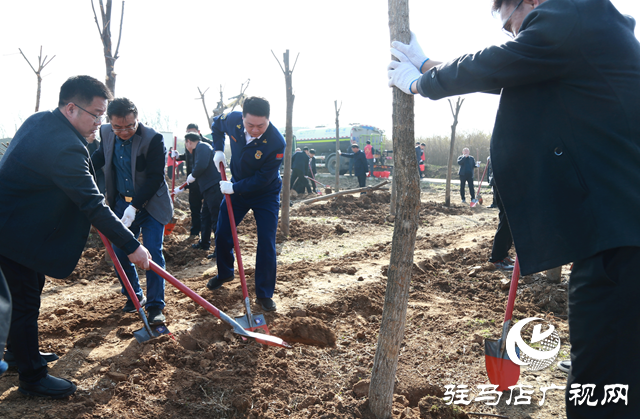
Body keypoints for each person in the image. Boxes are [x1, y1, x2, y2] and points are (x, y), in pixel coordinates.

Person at [388, 1, 640, 416]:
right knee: (616, 373)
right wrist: (428, 63)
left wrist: (422, 85)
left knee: (597, 389)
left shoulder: (572, 13)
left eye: (511, 22)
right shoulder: (589, 28)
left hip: (616, 240)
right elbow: (510, 68)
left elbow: (502, 63)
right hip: (619, 231)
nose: (511, 33)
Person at [0, 75, 150, 398]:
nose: (100, 123)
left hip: (19, 227)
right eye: (96, 115)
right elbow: (92, 203)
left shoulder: (43, 121)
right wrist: (132, 245)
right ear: (71, 108)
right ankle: (32, 378)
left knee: (27, 293)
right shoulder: (64, 146)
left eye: (102, 115)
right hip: (13, 235)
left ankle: (18, 353)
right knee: (24, 300)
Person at [92, 97, 172, 326]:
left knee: (153, 253)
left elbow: (156, 177)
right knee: (119, 251)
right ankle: (135, 295)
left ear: (137, 119)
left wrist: (135, 206)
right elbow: (99, 158)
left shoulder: (152, 139)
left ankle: (156, 306)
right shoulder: (106, 133)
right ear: (110, 122)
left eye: (130, 125)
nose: (124, 131)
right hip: (120, 203)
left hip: (150, 205)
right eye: (118, 126)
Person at [206, 97, 286, 312]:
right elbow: (216, 125)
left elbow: (264, 179)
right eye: (250, 125)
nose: (255, 130)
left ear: (268, 120)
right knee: (223, 231)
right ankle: (225, 273)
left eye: (261, 125)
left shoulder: (277, 142)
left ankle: (264, 293)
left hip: (265, 194)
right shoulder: (232, 120)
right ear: (242, 118)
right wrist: (217, 149)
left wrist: (235, 188)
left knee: (266, 242)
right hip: (237, 190)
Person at [173, 133, 222, 259]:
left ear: (189, 141)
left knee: (216, 219)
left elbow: (200, 166)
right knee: (205, 217)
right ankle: (204, 243)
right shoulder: (199, 150)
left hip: (214, 188)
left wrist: (192, 176)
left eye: (185, 144)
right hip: (207, 189)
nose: (186, 147)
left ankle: (221, 250)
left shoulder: (202, 147)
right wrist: (183, 187)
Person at [175, 123, 207, 237]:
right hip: (192, 181)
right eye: (188, 133)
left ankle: (206, 233)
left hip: (204, 181)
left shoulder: (206, 144)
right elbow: (190, 157)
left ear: (199, 132)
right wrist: (179, 157)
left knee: (207, 210)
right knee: (194, 208)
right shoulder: (189, 143)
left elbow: (202, 162)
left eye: (192, 132)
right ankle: (195, 232)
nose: (190, 135)